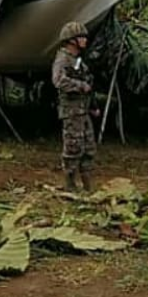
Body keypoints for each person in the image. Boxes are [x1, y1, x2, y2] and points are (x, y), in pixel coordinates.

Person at [51, 21, 98, 193]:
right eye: (81, 37)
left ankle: (87, 185)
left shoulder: (77, 60)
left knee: (88, 148)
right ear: (72, 40)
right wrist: (80, 86)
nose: (85, 40)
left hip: (82, 110)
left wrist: (92, 105)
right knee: (73, 148)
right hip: (71, 112)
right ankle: (70, 184)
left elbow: (88, 83)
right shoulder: (63, 59)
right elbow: (58, 81)